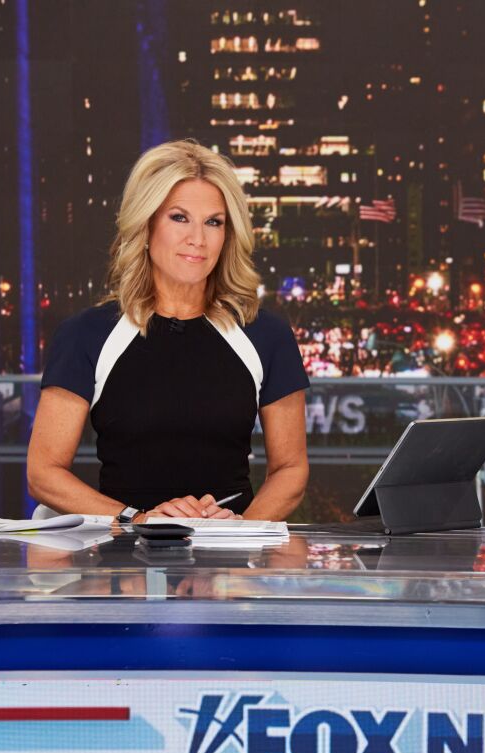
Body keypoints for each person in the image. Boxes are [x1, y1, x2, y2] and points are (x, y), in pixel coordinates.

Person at [28, 140, 309, 523]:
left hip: (229, 563)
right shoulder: (86, 335)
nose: (198, 238)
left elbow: (291, 470)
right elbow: (43, 474)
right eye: (179, 217)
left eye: (214, 222)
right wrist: (138, 520)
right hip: (122, 556)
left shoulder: (266, 335)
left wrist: (243, 529)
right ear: (146, 225)